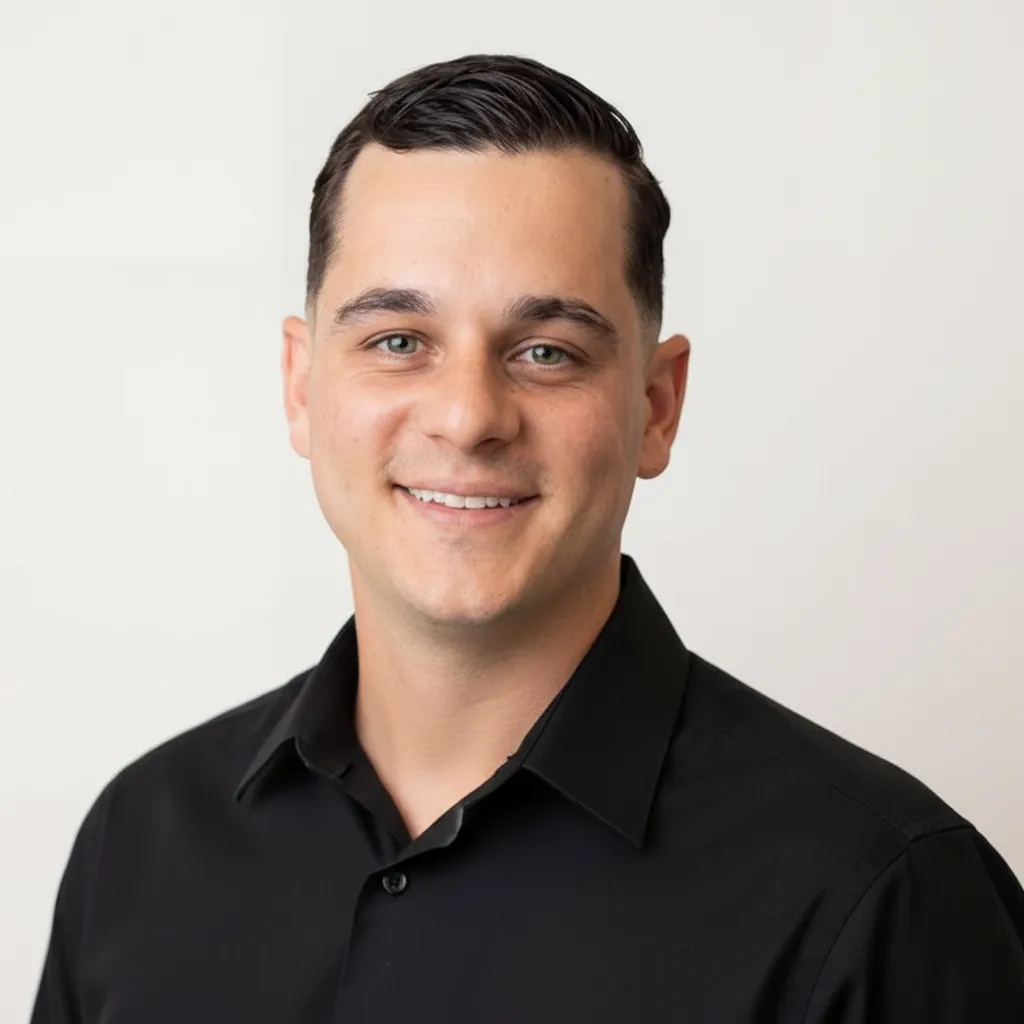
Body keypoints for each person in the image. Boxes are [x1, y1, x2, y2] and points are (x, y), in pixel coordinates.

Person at [31, 53, 1024, 1023]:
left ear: (657, 405)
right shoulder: (141, 841)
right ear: (302, 385)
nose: (467, 417)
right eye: (397, 341)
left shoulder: (883, 900)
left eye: (546, 352)